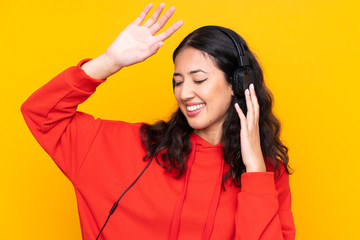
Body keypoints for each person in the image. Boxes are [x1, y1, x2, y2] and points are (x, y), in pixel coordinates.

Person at [21, 3, 295, 240]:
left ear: (237, 83)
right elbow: (41, 115)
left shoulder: (268, 174)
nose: (185, 93)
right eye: (178, 82)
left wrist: (256, 171)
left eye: (199, 79)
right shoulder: (133, 147)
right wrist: (108, 61)